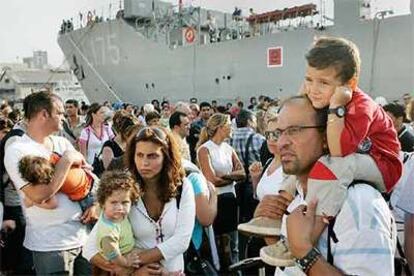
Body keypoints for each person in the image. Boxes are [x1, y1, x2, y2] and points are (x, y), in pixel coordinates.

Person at [256, 37, 402, 265]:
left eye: (322, 83)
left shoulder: (361, 106)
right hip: (359, 156)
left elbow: (338, 151)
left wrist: (336, 109)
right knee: (310, 167)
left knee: (337, 166)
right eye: (308, 80)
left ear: (350, 84)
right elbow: (302, 106)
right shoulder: (324, 93)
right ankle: (282, 200)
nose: (313, 90)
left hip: (384, 165)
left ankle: (313, 228)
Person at [259, 96, 396, 275]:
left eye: (294, 130)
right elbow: (289, 269)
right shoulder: (299, 192)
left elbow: (301, 253)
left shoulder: (358, 203)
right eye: (279, 132)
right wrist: (269, 228)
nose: (281, 143)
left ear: (326, 137)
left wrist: (305, 253)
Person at [4, 91, 93, 275]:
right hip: (51, 245)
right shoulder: (18, 149)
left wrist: (95, 204)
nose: (64, 116)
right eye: (59, 112)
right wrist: (67, 160)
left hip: (84, 238)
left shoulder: (62, 143)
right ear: (44, 114)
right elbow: (39, 194)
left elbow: (88, 176)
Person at [84, 127, 195, 274]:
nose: (144, 163)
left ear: (166, 157)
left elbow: (181, 241)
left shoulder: (182, 187)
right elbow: (89, 249)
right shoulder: (123, 189)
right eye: (139, 155)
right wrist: (131, 271)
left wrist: (135, 262)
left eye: (152, 156)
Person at [197, 113, 246, 271]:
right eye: (228, 125)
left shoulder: (228, 148)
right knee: (219, 246)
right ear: (220, 127)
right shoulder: (204, 150)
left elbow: (243, 173)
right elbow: (212, 180)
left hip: (231, 200)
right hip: (216, 202)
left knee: (234, 245)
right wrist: (233, 177)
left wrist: (225, 177)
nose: (231, 128)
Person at [95, 170, 140, 271]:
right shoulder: (108, 232)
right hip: (119, 259)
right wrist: (126, 263)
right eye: (114, 202)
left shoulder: (117, 215)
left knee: (153, 261)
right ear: (103, 204)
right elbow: (112, 254)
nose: (119, 207)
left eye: (125, 202)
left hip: (128, 250)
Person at [18, 153, 95, 211]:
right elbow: (53, 204)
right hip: (87, 193)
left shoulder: (49, 180)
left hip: (89, 189)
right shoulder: (50, 181)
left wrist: (32, 202)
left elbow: (53, 205)